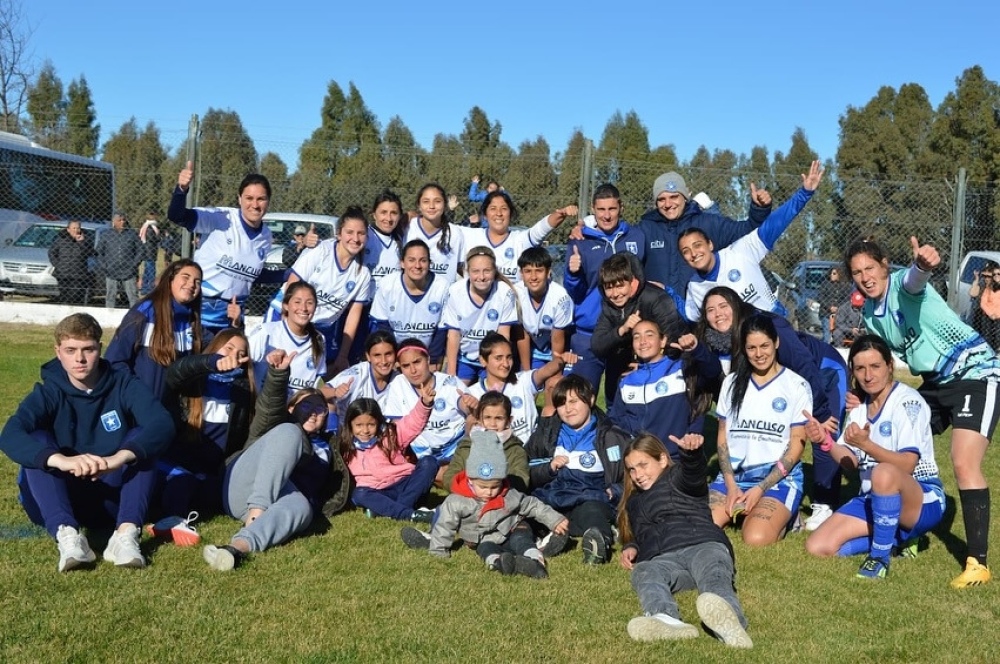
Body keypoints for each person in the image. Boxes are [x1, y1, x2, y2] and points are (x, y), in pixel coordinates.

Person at [846, 235, 1000, 588]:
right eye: (857, 272)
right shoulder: (870, 313)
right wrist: (857, 395)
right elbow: (877, 360)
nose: (865, 276)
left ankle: (978, 562)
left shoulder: (903, 283)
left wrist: (922, 264)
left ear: (885, 265)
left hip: (975, 373)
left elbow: (915, 279)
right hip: (934, 382)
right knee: (898, 441)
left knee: (963, 462)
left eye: (870, 267)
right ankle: (912, 524)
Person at [0, 313, 175, 571]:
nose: (79, 359)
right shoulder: (49, 391)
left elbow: (163, 424)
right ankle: (68, 536)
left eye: (88, 349)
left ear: (99, 349)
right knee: (37, 439)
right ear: (58, 352)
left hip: (111, 496)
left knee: (142, 438)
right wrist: (63, 460)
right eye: (70, 350)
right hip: (58, 496)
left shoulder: (123, 383)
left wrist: (118, 458)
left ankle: (125, 535)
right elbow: (10, 435)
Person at [696, 286, 848, 530]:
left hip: (823, 371)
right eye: (710, 310)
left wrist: (821, 412)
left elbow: (804, 363)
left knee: (823, 433)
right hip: (787, 377)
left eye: (723, 306)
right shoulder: (716, 336)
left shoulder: (768, 325)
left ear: (736, 306)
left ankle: (824, 504)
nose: (718, 314)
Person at [804, 335, 946, 579]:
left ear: (890, 365)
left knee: (883, 471)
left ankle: (879, 558)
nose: (868, 376)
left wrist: (867, 445)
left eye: (875, 366)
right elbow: (852, 460)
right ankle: (897, 539)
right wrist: (824, 441)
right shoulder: (859, 405)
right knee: (818, 546)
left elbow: (907, 465)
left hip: (922, 499)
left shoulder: (908, 403)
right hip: (875, 497)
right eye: (860, 368)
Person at [203, 349, 349, 571]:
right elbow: (269, 406)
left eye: (319, 407)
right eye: (305, 405)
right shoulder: (279, 424)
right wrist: (278, 375)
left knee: (303, 507)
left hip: (282, 503)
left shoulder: (332, 445)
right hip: (244, 487)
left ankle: (237, 547)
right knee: (291, 432)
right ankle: (256, 513)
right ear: (291, 408)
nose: (312, 412)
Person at [620, 435, 752, 648]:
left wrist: (691, 454)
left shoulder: (676, 477)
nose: (637, 475)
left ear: (662, 460)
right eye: (632, 469)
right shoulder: (634, 502)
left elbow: (694, 473)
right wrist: (632, 546)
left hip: (702, 544)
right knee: (644, 571)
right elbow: (641, 533)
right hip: (666, 559)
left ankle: (731, 622)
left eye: (643, 465)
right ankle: (664, 618)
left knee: (713, 577)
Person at [403, 430, 569, 579]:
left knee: (521, 538)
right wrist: (439, 550)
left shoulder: (509, 494)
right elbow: (445, 525)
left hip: (511, 529)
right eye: (483, 487)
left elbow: (532, 505)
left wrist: (554, 520)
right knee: (486, 549)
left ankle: (534, 559)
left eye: (495, 486)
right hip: (482, 538)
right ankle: (499, 563)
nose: (489, 492)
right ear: (470, 479)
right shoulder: (457, 501)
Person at [710, 314, 811, 547]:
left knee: (755, 537)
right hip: (735, 478)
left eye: (764, 345)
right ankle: (744, 507)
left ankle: (787, 517)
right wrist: (731, 485)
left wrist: (761, 488)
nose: (759, 354)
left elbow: (797, 444)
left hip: (776, 480)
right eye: (751, 348)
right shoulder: (732, 383)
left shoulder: (796, 385)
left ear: (776, 342)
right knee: (702, 527)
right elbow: (723, 438)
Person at [680, 160, 824, 321]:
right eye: (685, 251)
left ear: (710, 244)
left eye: (697, 245)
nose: (693, 253)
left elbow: (775, 224)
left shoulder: (740, 252)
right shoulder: (695, 287)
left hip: (773, 324)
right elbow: (691, 320)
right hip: (737, 340)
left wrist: (804, 194)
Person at [154, 329, 255, 543]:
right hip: (173, 463)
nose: (233, 355)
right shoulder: (191, 381)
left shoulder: (244, 390)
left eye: (240, 352)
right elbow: (175, 371)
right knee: (183, 482)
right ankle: (171, 522)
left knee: (215, 492)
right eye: (228, 348)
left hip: (210, 470)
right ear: (214, 348)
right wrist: (212, 362)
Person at [525, 374, 628, 565]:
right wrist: (548, 468)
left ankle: (598, 542)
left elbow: (631, 475)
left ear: (590, 399)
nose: (568, 409)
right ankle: (536, 544)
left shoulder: (612, 436)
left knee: (593, 513)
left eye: (573, 401)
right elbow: (525, 469)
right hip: (553, 496)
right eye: (562, 403)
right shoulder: (546, 433)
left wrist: (615, 490)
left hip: (590, 497)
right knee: (528, 512)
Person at [167, 161, 273, 333]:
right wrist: (181, 189)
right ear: (239, 199)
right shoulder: (221, 218)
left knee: (230, 360)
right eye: (249, 198)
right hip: (199, 309)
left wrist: (290, 274)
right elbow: (177, 216)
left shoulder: (266, 236)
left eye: (261, 199)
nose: (255, 204)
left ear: (268, 201)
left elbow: (252, 275)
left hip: (233, 315)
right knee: (190, 359)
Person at [267, 206, 372, 374]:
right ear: (339, 233)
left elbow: (353, 314)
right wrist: (286, 327)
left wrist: (343, 355)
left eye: (361, 233)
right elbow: (292, 284)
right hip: (286, 316)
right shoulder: (320, 251)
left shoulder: (363, 274)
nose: (355, 238)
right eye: (350, 232)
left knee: (306, 378)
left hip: (320, 327)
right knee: (274, 369)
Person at [563, 184, 646, 396]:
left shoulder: (637, 237)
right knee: (579, 397)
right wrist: (573, 274)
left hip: (624, 333)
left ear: (621, 208)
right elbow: (575, 293)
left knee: (622, 400)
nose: (607, 215)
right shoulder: (579, 240)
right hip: (587, 334)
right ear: (593, 210)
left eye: (612, 209)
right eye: (601, 210)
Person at [638, 170, 772, 298]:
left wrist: (759, 210)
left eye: (674, 196)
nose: (668, 204)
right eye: (661, 199)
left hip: (702, 311)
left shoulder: (708, 223)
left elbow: (747, 231)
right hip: (658, 314)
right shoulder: (645, 229)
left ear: (685, 197)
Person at [608, 320, 721, 460]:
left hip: (676, 457)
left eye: (649, 335)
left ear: (663, 341)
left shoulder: (680, 369)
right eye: (636, 337)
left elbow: (713, 371)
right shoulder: (626, 382)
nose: (642, 341)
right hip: (641, 461)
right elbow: (617, 420)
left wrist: (696, 348)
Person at [104, 259, 205, 406]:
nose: (191, 284)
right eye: (186, 277)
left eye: (197, 281)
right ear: (170, 279)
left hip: (170, 411)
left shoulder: (191, 321)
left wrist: (236, 324)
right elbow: (115, 360)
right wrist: (135, 396)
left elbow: (218, 347)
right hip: (139, 407)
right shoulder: (143, 313)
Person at [591, 253, 687, 405]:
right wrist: (621, 330)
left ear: (633, 283)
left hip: (663, 362)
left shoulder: (655, 298)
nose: (615, 294)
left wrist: (646, 366)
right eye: (608, 288)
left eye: (620, 286)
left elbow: (674, 341)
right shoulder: (609, 306)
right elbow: (597, 345)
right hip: (628, 361)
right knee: (615, 365)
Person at [382, 338, 478, 480]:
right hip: (423, 454)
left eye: (417, 362)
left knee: (475, 419)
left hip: (455, 447)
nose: (413, 370)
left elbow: (465, 405)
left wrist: (470, 406)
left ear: (427, 360)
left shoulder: (448, 381)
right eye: (406, 366)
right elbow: (397, 429)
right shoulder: (398, 385)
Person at [340, 394, 437, 522]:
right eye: (359, 425)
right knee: (359, 494)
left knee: (429, 462)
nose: (365, 430)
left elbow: (412, 422)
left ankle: (391, 509)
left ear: (378, 422)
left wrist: (425, 403)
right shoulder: (345, 447)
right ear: (350, 425)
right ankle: (410, 514)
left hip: (405, 485)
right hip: (378, 491)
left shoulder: (390, 434)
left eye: (371, 424)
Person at [466, 332, 576, 441]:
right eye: (498, 358)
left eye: (509, 357)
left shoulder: (523, 380)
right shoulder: (473, 393)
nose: (505, 364)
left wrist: (561, 360)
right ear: (483, 360)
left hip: (529, 450)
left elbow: (545, 372)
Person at [460, 190, 577, 282]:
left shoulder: (520, 240)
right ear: (485, 215)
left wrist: (561, 213)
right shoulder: (469, 235)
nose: (499, 214)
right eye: (493, 209)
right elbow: (443, 228)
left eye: (504, 209)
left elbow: (541, 228)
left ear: (510, 214)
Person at [441, 246, 518, 384]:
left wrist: (500, 367)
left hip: (492, 359)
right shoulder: (455, 291)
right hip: (464, 358)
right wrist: (451, 373)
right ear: (467, 272)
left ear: (494, 271)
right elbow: (453, 335)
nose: (481, 277)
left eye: (487, 271)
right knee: (456, 394)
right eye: (475, 271)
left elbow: (503, 336)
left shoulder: (505, 292)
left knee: (494, 397)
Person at [369, 239, 450, 362]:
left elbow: (441, 330)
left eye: (423, 260)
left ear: (429, 263)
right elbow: (382, 327)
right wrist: (395, 358)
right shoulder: (387, 285)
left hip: (426, 356)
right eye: (411, 260)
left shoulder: (442, 286)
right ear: (402, 263)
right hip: (396, 355)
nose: (417, 266)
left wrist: (433, 359)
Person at [247, 281, 326, 398]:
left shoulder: (320, 339)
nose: (303, 308)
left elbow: (318, 381)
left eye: (309, 303)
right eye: (297, 302)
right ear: (285, 305)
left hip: (299, 412)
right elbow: (246, 367)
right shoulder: (266, 332)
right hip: (265, 409)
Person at [443, 392, 530, 493]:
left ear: (509, 420)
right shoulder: (467, 446)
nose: (493, 424)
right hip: (468, 499)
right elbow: (449, 478)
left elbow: (522, 481)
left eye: (499, 418)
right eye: (487, 417)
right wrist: (473, 488)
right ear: (479, 419)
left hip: (502, 501)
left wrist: (495, 485)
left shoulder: (515, 450)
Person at [514, 246, 574, 371]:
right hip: (533, 350)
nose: (533, 277)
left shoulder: (560, 297)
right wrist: (526, 372)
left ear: (548, 272)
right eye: (528, 271)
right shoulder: (516, 294)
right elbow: (522, 334)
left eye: (539, 270)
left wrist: (554, 370)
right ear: (521, 274)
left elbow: (558, 339)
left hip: (558, 350)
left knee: (553, 383)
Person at [323, 330, 398, 429]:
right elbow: (320, 392)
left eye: (388, 354)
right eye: (377, 355)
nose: (383, 361)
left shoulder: (399, 379)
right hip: (347, 432)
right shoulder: (356, 375)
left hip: (378, 435)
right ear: (368, 356)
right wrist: (335, 391)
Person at [404, 183, 464, 283]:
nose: (431, 206)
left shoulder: (455, 233)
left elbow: (461, 266)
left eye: (437, 201)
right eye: (426, 201)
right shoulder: (407, 227)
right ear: (419, 205)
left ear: (445, 205)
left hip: (445, 295)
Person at [98, 212, 142, 309]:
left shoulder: (132, 234)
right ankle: (109, 315)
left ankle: (134, 316)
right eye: (119, 220)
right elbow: (99, 252)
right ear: (114, 221)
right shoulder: (106, 235)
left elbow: (140, 250)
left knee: (133, 296)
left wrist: (134, 265)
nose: (122, 222)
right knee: (110, 296)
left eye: (123, 220)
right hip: (111, 271)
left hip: (129, 271)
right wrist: (105, 266)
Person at [48, 219, 95, 304]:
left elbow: (90, 253)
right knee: (64, 296)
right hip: (63, 273)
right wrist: (58, 265)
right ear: (68, 229)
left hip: (78, 274)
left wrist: (81, 242)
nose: (76, 230)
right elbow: (52, 253)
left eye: (78, 228)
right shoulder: (60, 239)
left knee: (74, 296)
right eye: (73, 228)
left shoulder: (86, 240)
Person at [968, 262, 1000, 351]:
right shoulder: (982, 284)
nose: (986, 278)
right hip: (981, 312)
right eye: (984, 276)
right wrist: (977, 279)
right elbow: (972, 293)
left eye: (989, 276)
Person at [817, 265, 853, 343]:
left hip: (841, 315)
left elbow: (847, 299)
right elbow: (820, 297)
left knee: (839, 335)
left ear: (839, 274)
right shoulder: (825, 284)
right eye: (831, 273)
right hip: (826, 313)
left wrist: (839, 308)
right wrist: (830, 307)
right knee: (827, 336)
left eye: (834, 273)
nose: (831, 275)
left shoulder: (846, 285)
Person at [137, 214, 161, 296]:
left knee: (147, 271)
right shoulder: (151, 228)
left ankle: (144, 288)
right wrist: (158, 237)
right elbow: (153, 239)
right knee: (151, 271)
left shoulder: (147, 227)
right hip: (150, 252)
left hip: (148, 252)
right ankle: (150, 288)